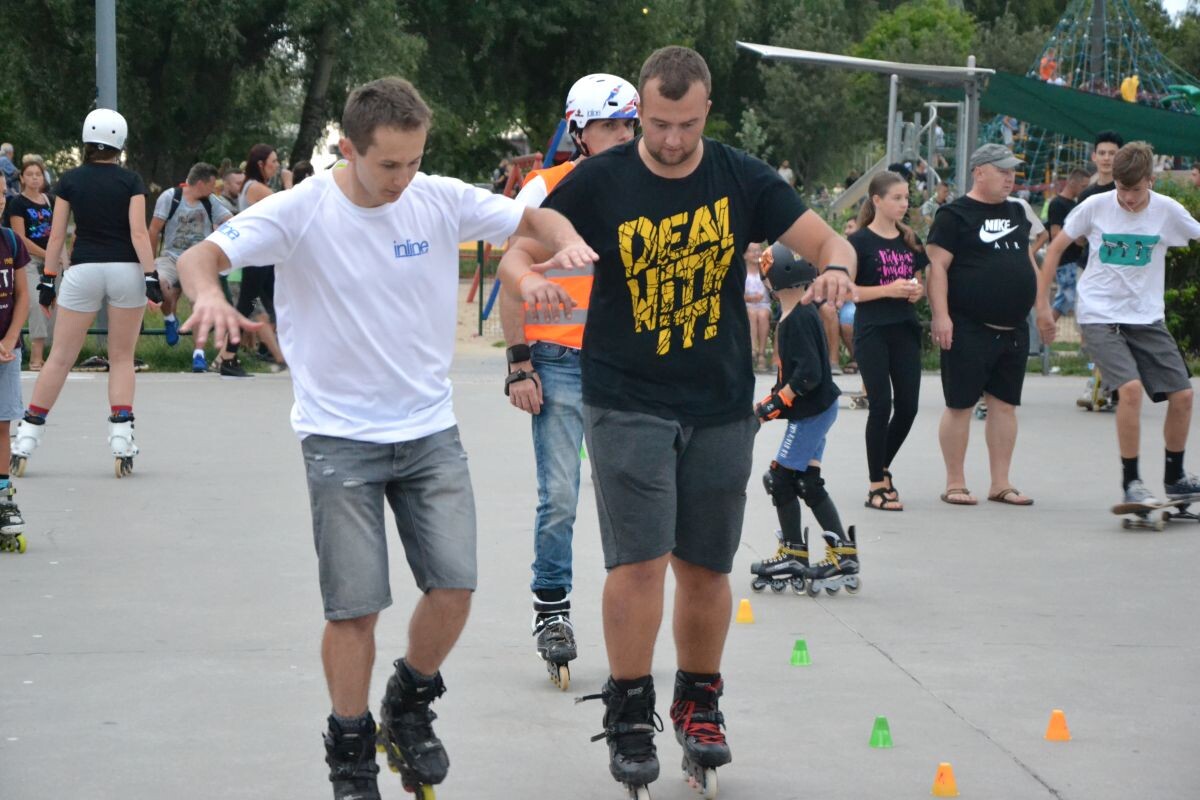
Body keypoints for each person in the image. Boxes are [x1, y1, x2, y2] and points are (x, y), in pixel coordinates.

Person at [176, 76, 595, 800]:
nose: (403, 179)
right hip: (338, 438)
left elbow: (537, 220)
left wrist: (567, 243)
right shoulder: (301, 211)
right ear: (349, 149)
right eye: (388, 166)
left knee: (455, 586)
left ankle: (407, 703)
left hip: (429, 430)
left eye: (413, 162)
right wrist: (210, 293)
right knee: (355, 608)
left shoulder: (436, 196)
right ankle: (349, 750)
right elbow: (200, 257)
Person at [498, 45, 856, 798]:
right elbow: (516, 255)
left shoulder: (740, 176)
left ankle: (699, 701)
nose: (669, 140)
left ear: (705, 110)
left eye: (684, 124)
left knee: (706, 566)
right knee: (638, 564)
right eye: (656, 124)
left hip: (721, 402)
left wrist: (836, 269)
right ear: (639, 115)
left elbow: (828, 240)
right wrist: (535, 282)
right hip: (625, 398)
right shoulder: (600, 178)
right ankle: (631, 711)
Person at [496, 72, 639, 689]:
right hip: (555, 360)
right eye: (609, 125)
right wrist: (518, 362)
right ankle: (552, 609)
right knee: (560, 498)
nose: (624, 136)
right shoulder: (547, 187)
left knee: (631, 499)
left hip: (625, 364)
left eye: (629, 124)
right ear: (579, 131)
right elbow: (511, 268)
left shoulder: (648, 187)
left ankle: (629, 613)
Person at [1037, 142, 1200, 508]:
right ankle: (1132, 483)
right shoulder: (1095, 206)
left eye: (1135, 190)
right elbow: (1057, 247)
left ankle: (1175, 478)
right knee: (1129, 390)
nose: (1126, 199)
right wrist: (1043, 305)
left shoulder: (1166, 210)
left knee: (1184, 395)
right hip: (1099, 315)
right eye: (1121, 190)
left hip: (1146, 318)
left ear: (1151, 181)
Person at [9, 109, 156, 479]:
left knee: (59, 357)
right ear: (119, 142)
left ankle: (26, 437)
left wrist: (47, 280)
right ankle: (122, 438)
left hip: (83, 270)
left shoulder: (71, 180)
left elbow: (57, 236)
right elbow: (139, 233)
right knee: (122, 357)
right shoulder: (131, 180)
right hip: (126, 271)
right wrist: (151, 274)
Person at [927, 144, 1037, 507]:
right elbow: (937, 268)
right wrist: (941, 316)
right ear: (979, 172)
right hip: (969, 325)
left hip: (1013, 327)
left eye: (1012, 172)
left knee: (1005, 405)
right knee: (960, 404)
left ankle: (1000, 482)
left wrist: (1044, 308)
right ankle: (955, 482)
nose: (1010, 177)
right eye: (1002, 170)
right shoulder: (954, 215)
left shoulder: (1019, 211)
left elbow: (1027, 260)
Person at [748, 245, 857, 597]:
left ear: (772, 279)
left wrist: (774, 405)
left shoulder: (797, 319)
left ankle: (793, 551)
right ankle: (842, 553)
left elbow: (807, 375)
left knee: (779, 478)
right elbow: (795, 375)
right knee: (806, 481)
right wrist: (769, 403)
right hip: (819, 407)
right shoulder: (801, 313)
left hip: (812, 411)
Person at [849, 171, 927, 511]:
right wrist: (888, 290)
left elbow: (918, 281)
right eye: (897, 198)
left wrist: (915, 292)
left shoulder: (909, 238)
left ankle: (882, 466)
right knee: (881, 405)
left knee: (908, 407)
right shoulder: (858, 243)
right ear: (877, 200)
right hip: (872, 330)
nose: (904, 204)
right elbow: (850, 291)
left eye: (906, 197)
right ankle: (875, 486)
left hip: (905, 328)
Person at [211, 144, 286, 376]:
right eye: (273, 162)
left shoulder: (249, 187)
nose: (277, 166)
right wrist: (290, 181)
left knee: (279, 304)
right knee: (246, 306)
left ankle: (224, 356)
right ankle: (227, 358)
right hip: (258, 258)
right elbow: (292, 205)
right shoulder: (255, 187)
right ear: (261, 164)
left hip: (264, 258)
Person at [147, 163, 232, 355]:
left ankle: (198, 354)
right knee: (159, 283)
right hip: (170, 257)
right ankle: (169, 319)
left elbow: (231, 222)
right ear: (201, 183)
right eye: (212, 184)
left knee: (198, 301)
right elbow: (153, 230)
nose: (214, 188)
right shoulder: (170, 197)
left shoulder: (210, 201)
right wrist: (150, 263)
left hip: (198, 261)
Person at [0, 192, 30, 552]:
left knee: (3, 424)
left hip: (8, 351)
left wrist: (9, 339)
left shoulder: (10, 240)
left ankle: (4, 495)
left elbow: (22, 295)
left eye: (3, 194)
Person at [5, 161, 56, 370]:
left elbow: (58, 231)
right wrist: (46, 254)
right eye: (30, 174)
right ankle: (35, 358)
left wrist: (59, 257)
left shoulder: (51, 201)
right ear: (22, 178)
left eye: (38, 174)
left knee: (58, 303)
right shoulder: (17, 203)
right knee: (36, 303)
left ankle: (54, 357)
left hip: (53, 260)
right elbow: (20, 238)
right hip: (29, 259)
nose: (35, 177)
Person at [1045, 168, 1090, 321]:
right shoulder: (1057, 204)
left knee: (1066, 300)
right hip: (1065, 260)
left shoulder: (1076, 204)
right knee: (1068, 299)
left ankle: (1042, 335)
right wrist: (1076, 237)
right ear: (1072, 183)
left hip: (1075, 259)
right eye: (1083, 186)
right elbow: (1055, 234)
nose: (1085, 190)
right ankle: (1042, 332)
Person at [744, 242, 772, 370]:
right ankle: (752, 351)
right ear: (745, 255)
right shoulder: (742, 272)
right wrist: (750, 298)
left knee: (762, 314)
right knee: (751, 313)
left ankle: (761, 354)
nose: (756, 254)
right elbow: (736, 293)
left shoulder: (765, 270)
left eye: (758, 251)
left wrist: (768, 282)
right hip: (746, 304)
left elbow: (773, 291)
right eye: (752, 251)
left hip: (764, 304)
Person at [1078, 130, 1125, 204]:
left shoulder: (1126, 192)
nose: (1106, 158)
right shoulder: (1085, 196)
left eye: (1112, 153)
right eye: (1102, 153)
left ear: (1121, 157)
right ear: (1094, 157)